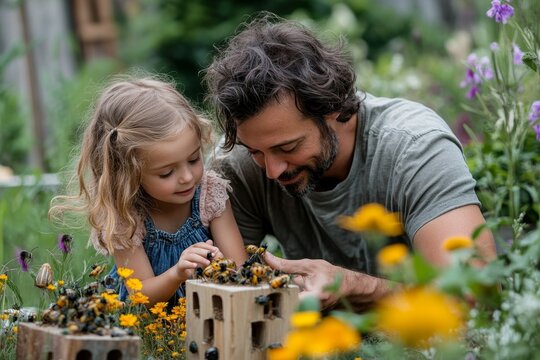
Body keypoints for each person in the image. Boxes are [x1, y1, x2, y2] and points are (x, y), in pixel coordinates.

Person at [204, 13, 497, 311]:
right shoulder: (239, 165)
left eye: (288, 147)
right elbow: (218, 293)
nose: (272, 169)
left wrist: (358, 287)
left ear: (332, 108)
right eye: (255, 151)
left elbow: (476, 296)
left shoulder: (414, 147)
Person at [49, 76, 246, 305]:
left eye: (193, 159)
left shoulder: (209, 195)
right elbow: (140, 294)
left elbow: (239, 270)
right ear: (128, 175)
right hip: (148, 327)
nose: (187, 177)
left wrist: (222, 267)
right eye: (166, 173)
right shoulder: (124, 217)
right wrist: (178, 273)